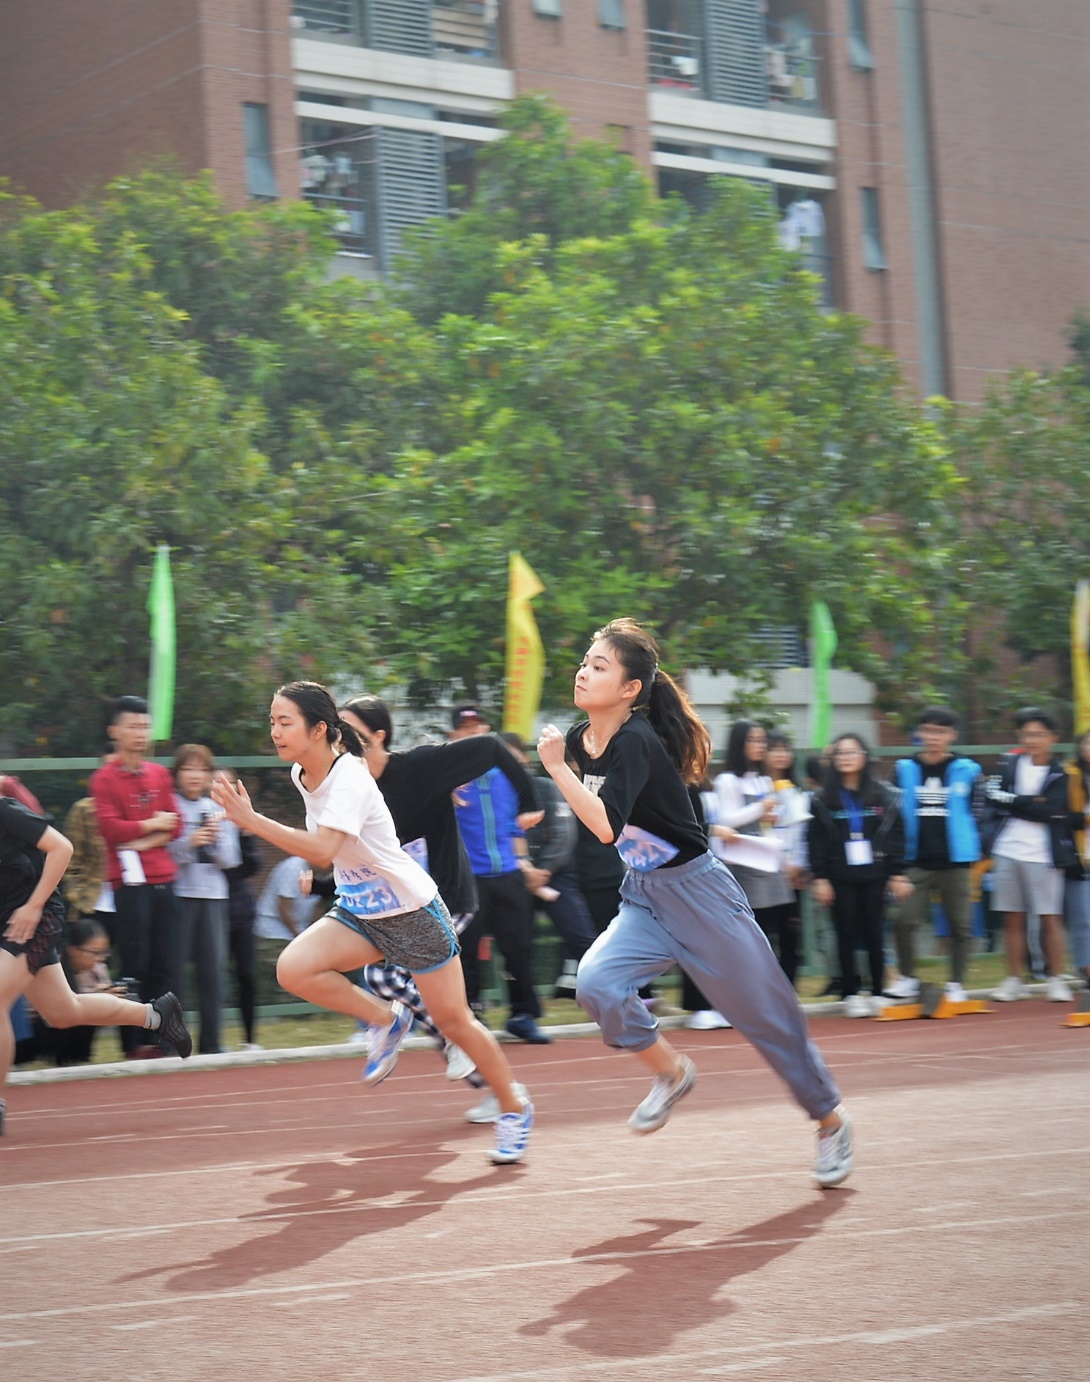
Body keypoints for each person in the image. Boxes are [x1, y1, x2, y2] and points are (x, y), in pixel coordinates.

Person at [536, 618, 852, 1188]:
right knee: (596, 984)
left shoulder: (636, 740)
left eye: (599, 666)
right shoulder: (583, 739)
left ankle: (830, 1120)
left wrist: (556, 769)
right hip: (646, 896)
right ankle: (671, 1071)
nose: (583, 671)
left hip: (701, 896)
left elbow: (605, 827)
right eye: (584, 661)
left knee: (768, 1017)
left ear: (631, 689)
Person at [211, 680, 533, 1163]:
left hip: (412, 912)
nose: (274, 731)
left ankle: (514, 1107)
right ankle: (387, 1018)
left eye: (284, 722)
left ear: (318, 729)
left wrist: (252, 820)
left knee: (456, 1022)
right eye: (272, 721)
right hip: (360, 910)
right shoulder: (302, 774)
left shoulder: (350, 778)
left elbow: (323, 850)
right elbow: (335, 852)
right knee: (293, 969)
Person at [337, 695, 542, 1100]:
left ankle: (446, 1037)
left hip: (447, 898)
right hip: (399, 908)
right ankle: (494, 1088)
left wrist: (530, 801)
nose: (340, 737)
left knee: (389, 977)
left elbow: (491, 747)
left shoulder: (421, 765)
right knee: (391, 983)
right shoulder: (352, 788)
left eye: (350, 729)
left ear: (379, 736)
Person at [1, 794, 190, 1132]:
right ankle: (157, 1015)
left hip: (34, 917)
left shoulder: (6, 811)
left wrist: (33, 907)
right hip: (8, 922)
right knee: (63, 1011)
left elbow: (62, 849)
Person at [450, 703, 550, 1045]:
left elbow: (516, 824)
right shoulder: (448, 776)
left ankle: (523, 1016)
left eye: (479, 726)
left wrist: (524, 863)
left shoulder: (505, 774)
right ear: (454, 735)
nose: (474, 732)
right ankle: (473, 1016)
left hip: (508, 873)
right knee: (467, 950)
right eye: (466, 728)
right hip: (468, 880)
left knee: (519, 948)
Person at [90, 695, 184, 1055]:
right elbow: (111, 829)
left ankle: (160, 1039)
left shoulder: (159, 774)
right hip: (129, 886)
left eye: (145, 726)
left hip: (164, 881)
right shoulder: (104, 779)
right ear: (114, 731)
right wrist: (153, 824)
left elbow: (175, 825)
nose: (141, 733)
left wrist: (141, 838)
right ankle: (132, 1043)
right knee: (134, 964)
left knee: (164, 963)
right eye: (133, 726)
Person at [807, 734, 912, 1017]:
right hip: (839, 875)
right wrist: (820, 878)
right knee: (845, 933)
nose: (846, 758)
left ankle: (877, 991)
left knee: (875, 933)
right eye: (840, 753)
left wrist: (897, 873)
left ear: (865, 756)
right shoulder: (822, 799)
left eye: (852, 752)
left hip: (875, 873)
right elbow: (815, 841)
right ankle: (852, 992)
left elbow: (896, 835)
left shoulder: (883, 794)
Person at [889, 708, 985, 1003]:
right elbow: (892, 813)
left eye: (941, 732)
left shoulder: (969, 770)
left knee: (960, 925)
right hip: (914, 859)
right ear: (919, 733)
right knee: (903, 919)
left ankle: (956, 983)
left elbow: (980, 811)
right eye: (928, 730)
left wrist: (974, 843)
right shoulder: (903, 769)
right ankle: (907, 977)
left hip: (956, 860)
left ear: (952, 735)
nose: (934, 737)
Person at [983, 708, 1077, 1002]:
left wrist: (1017, 803)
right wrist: (1028, 801)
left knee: (1050, 918)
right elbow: (992, 795)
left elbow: (1051, 811)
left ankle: (1056, 980)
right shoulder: (1008, 763)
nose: (1032, 740)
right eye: (1026, 734)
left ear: (1053, 738)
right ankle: (1014, 979)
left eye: (1039, 735)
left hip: (1044, 855)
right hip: (1007, 850)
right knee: (1012, 918)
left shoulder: (1061, 773)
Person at [496, 730, 597, 1002]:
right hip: (513, 876)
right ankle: (524, 1011)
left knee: (583, 937)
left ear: (525, 758)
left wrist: (543, 870)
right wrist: (524, 870)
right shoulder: (492, 794)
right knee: (516, 948)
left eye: (513, 758)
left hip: (556, 875)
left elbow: (564, 833)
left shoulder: (547, 787)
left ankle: (614, 994)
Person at [714, 721, 799, 985]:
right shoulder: (728, 780)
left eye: (762, 741)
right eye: (753, 741)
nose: (760, 746)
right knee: (753, 929)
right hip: (744, 862)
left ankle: (776, 988)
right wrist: (761, 808)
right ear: (739, 744)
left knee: (779, 928)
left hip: (767, 859)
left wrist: (769, 817)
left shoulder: (762, 779)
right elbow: (726, 820)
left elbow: (764, 822)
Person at [170, 745, 241, 1055]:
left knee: (213, 973)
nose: (194, 776)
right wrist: (189, 842)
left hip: (213, 897)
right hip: (179, 895)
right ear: (177, 774)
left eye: (201, 770)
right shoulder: (169, 805)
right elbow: (162, 855)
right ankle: (173, 1043)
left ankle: (212, 1043)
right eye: (188, 769)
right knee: (175, 973)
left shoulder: (218, 807)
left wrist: (216, 839)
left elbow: (231, 859)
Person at [214, 767, 263, 1051]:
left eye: (229, 782)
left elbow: (253, 865)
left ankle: (250, 1040)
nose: (224, 787)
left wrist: (244, 835)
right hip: (208, 905)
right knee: (214, 975)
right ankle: (213, 1041)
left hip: (240, 907)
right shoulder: (201, 815)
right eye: (217, 782)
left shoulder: (240, 818)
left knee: (246, 974)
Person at [1063, 730, 1090, 993]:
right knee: (1083, 917)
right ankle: (1085, 967)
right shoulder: (1070, 774)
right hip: (1079, 855)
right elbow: (1069, 817)